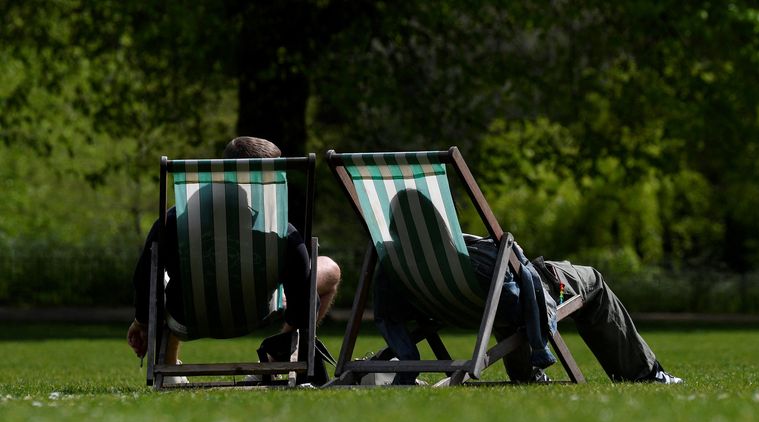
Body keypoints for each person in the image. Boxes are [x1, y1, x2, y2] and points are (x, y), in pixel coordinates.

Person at [373, 189, 682, 385]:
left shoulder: (397, 266)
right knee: (592, 282)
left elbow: (391, 309)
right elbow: (512, 294)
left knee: (504, 293)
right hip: (505, 296)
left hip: (464, 307)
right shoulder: (464, 256)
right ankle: (645, 374)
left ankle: (528, 375)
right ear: (441, 221)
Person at [126, 137, 341, 378]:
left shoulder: (174, 224)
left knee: (164, 277)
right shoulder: (281, 234)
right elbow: (302, 307)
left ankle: (170, 367)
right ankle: (274, 361)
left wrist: (142, 322)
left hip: (188, 317)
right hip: (257, 312)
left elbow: (145, 279)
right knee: (328, 269)